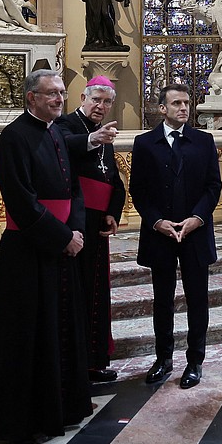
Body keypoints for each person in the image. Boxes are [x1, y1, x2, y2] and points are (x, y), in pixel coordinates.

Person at [0, 70, 92, 444]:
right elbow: (21, 203)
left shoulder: (56, 130)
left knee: (59, 328)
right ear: (31, 99)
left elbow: (72, 187)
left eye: (62, 93)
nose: (60, 99)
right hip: (28, 251)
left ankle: (60, 409)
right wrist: (62, 238)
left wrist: (75, 230)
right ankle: (20, 420)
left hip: (60, 247)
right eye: (52, 94)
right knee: (27, 335)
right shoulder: (13, 137)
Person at [129, 83, 222, 389]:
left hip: (195, 233)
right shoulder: (145, 143)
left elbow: (213, 186)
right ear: (162, 108)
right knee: (162, 301)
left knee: (198, 301)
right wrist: (156, 221)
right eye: (177, 103)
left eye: (187, 102)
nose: (184, 108)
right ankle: (163, 358)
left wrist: (197, 218)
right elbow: (138, 191)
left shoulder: (204, 141)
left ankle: (195, 361)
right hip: (161, 235)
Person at [56, 75, 125, 383]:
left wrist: (113, 211)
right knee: (77, 290)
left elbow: (112, 176)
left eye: (107, 101)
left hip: (98, 223)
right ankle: (74, 362)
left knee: (97, 292)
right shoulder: (66, 124)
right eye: (96, 99)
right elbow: (63, 147)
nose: (101, 106)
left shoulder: (104, 133)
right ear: (83, 98)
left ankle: (95, 359)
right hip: (75, 222)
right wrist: (94, 139)